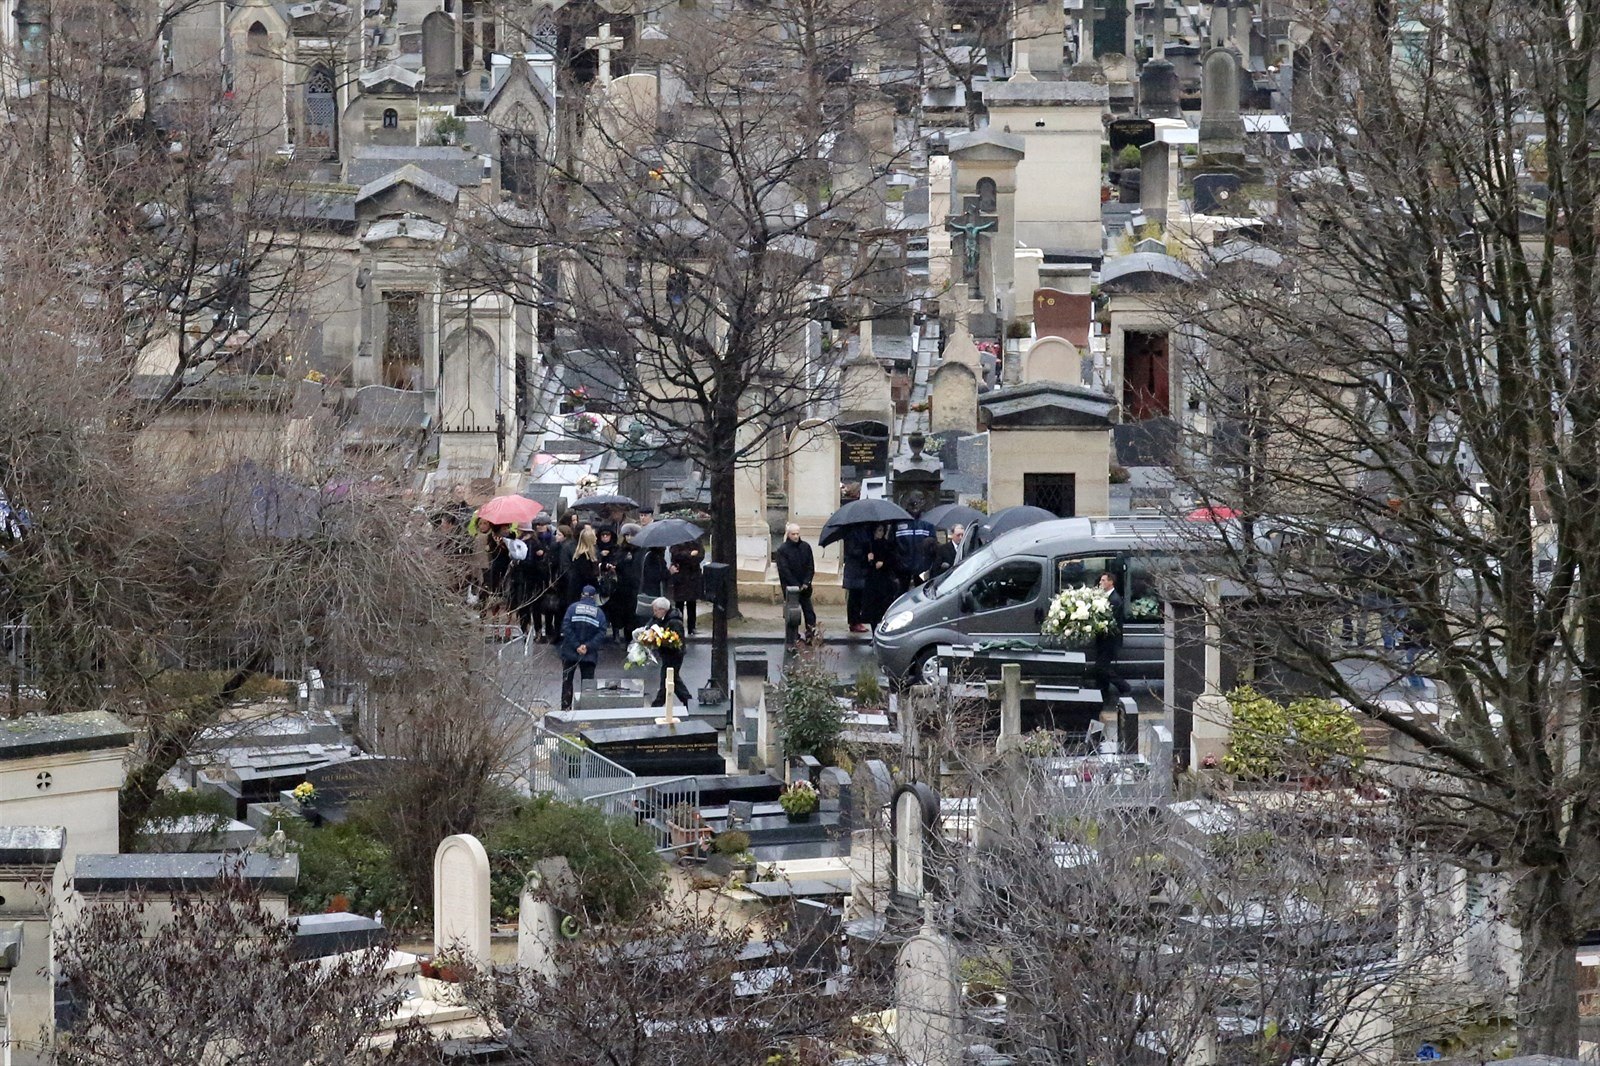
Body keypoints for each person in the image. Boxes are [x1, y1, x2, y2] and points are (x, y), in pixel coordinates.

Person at [558, 585, 607, 710]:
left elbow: (566, 627)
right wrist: (587, 646)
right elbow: (601, 633)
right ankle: (586, 710)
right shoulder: (599, 613)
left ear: (581, 595)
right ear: (594, 597)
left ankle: (565, 709)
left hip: (570, 651)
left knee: (567, 682)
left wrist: (576, 645)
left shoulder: (572, 608)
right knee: (587, 685)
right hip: (589, 655)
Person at [1092, 571, 1132, 707]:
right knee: (1102, 667)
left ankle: (1124, 686)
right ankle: (1102, 692)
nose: (1100, 583)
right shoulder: (1107, 597)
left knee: (1101, 667)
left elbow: (1110, 620)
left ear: (1111, 582)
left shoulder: (1114, 600)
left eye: (1103, 580)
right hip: (1104, 639)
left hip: (1110, 640)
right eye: (1100, 580)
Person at [647, 596, 693, 707]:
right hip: (667, 654)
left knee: (668, 678)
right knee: (672, 679)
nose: (654, 613)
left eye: (656, 610)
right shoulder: (661, 618)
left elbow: (676, 641)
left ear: (663, 610)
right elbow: (651, 625)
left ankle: (658, 704)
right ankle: (688, 701)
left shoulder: (674, 622)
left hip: (674, 655)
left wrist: (662, 640)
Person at [774, 523, 817, 641]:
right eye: (793, 534)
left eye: (797, 534)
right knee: (793, 614)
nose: (796, 536)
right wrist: (796, 585)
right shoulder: (782, 550)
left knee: (809, 613)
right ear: (788, 534)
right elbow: (784, 570)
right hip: (790, 588)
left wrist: (806, 582)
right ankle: (793, 637)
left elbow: (810, 566)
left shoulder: (805, 547)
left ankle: (810, 635)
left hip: (805, 587)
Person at [527, 516, 563, 642]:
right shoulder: (533, 540)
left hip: (550, 577)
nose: (540, 527)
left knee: (550, 605)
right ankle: (538, 631)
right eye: (537, 524)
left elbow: (558, 560)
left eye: (542, 524)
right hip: (536, 577)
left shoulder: (553, 540)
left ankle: (549, 629)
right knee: (536, 605)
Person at [863, 524, 899, 627]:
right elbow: (863, 564)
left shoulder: (887, 545)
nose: (881, 533)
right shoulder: (868, 545)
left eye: (883, 530)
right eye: (879, 530)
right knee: (872, 609)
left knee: (883, 607)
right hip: (872, 581)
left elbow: (893, 560)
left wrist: (883, 564)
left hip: (884, 580)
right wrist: (868, 559)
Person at [842, 524, 874, 633]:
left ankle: (857, 620)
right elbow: (851, 550)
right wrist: (866, 554)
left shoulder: (866, 530)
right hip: (854, 570)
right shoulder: (852, 533)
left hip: (861, 569)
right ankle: (854, 622)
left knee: (859, 597)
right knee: (854, 598)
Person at [668, 538, 704, 636]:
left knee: (692, 603)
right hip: (680, 577)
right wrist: (690, 554)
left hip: (693, 577)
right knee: (679, 604)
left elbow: (700, 555)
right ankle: (678, 627)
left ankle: (692, 627)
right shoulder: (676, 542)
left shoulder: (696, 541)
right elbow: (676, 556)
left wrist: (689, 558)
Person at [894, 509, 936, 590]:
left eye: (917, 504)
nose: (915, 508)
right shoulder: (899, 523)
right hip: (902, 567)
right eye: (912, 505)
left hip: (922, 566)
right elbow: (892, 545)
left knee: (922, 591)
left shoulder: (927, 523)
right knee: (901, 592)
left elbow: (932, 544)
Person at [566, 526, 600, 606]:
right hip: (580, 594)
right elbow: (588, 576)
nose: (596, 538)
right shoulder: (583, 557)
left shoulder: (585, 555)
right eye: (594, 537)